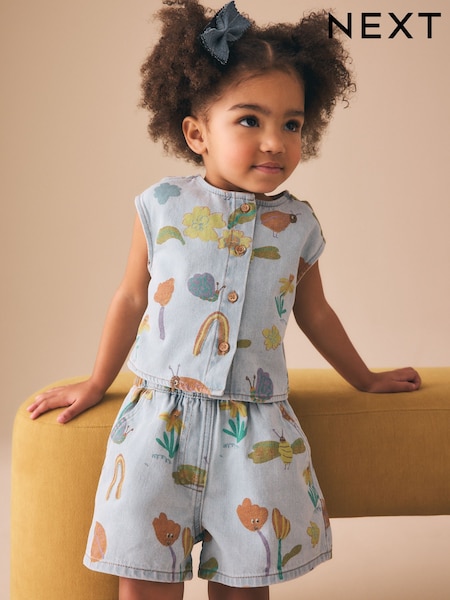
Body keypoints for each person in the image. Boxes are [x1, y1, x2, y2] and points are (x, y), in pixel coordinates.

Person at [27, 1, 421, 599]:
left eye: (292, 124)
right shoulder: (161, 206)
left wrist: (365, 378)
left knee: (244, 581)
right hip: (159, 423)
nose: (275, 142)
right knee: (144, 580)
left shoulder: (299, 225)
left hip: (255, 431)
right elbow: (131, 298)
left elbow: (315, 313)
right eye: (249, 120)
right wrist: (96, 381)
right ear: (197, 134)